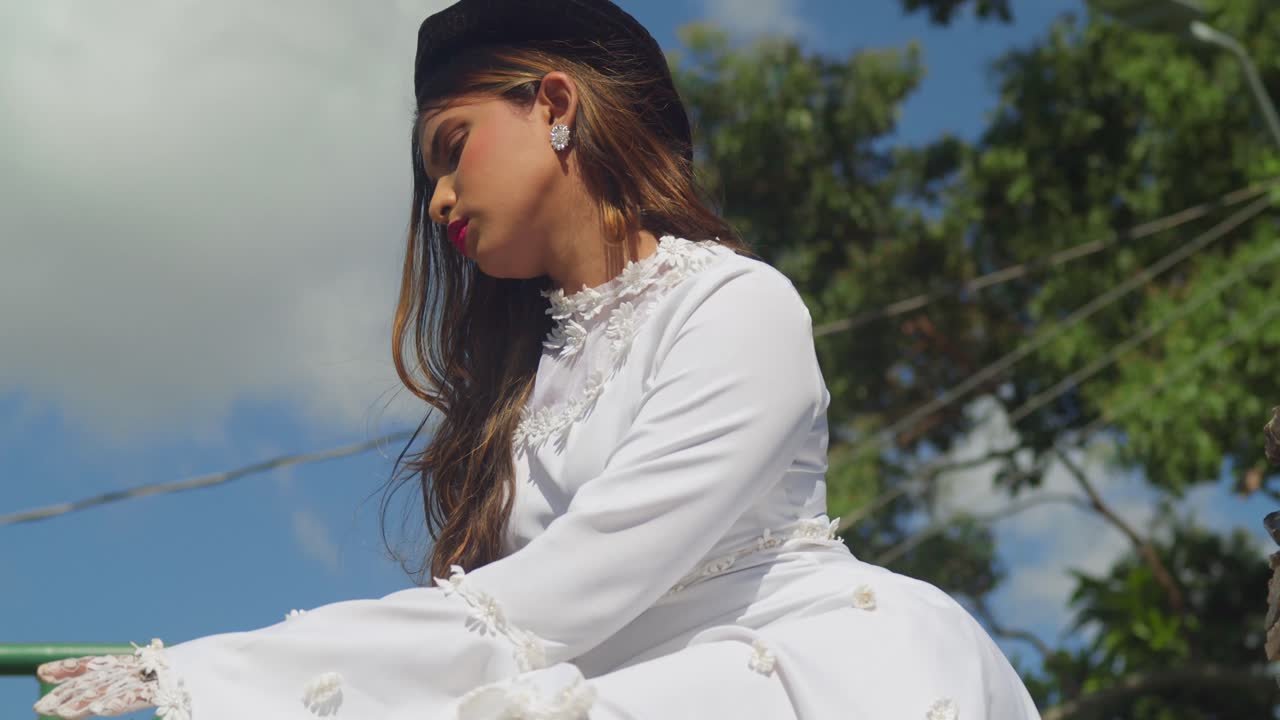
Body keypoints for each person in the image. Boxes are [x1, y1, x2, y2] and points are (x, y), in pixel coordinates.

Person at [33, 1, 1042, 718]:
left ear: (554, 102)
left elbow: (560, 597)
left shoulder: (735, 307)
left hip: (808, 685)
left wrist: (215, 675)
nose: (436, 201)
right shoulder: (514, 398)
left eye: (451, 146)